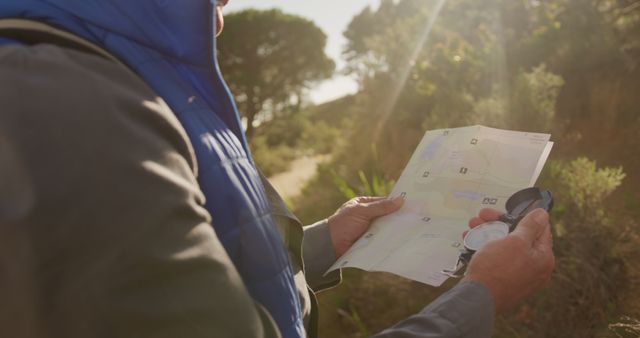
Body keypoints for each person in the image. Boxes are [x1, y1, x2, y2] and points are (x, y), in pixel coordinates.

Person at [0, 1, 555, 337]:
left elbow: (201, 273)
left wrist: (323, 243)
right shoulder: (63, 107)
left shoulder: (100, 77)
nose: (218, 22)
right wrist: (482, 294)